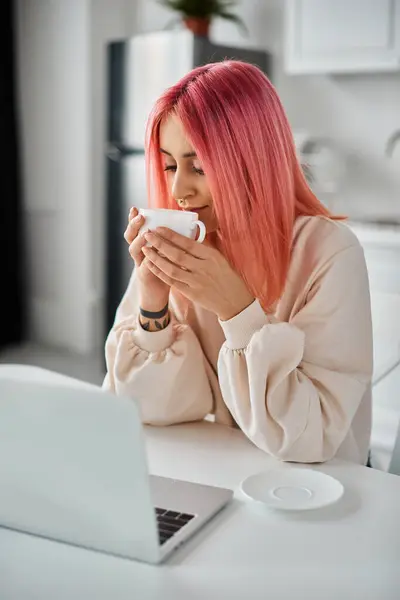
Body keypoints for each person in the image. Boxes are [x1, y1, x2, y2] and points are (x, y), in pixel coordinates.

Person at [103, 61, 373, 465]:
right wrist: (153, 301)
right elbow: (149, 411)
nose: (178, 190)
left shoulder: (328, 253)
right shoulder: (190, 241)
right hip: (224, 468)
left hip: (319, 488)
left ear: (253, 159)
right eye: (170, 166)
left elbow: (309, 436)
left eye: (199, 166)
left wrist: (238, 313)